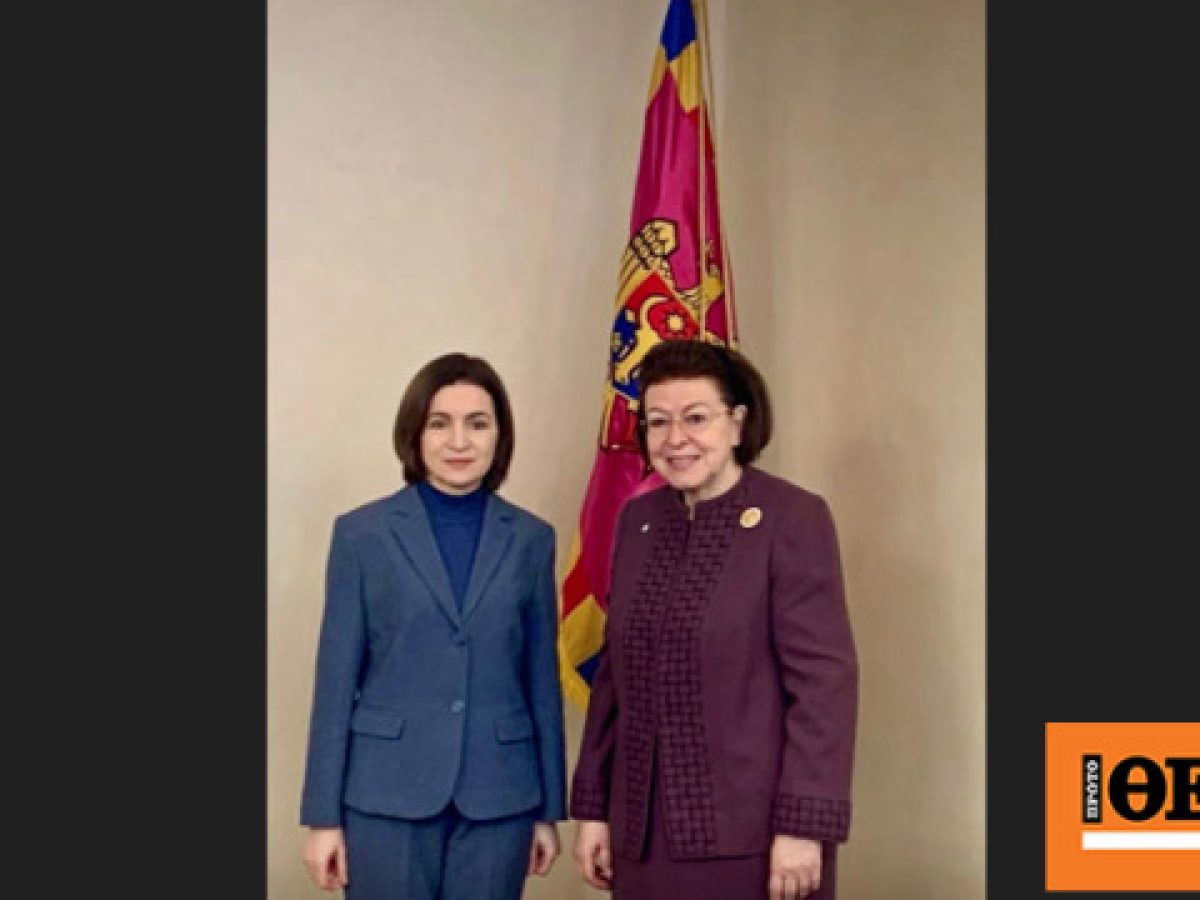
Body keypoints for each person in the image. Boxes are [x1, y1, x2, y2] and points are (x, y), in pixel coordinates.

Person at [571, 339, 859, 900]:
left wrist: (803, 826)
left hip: (756, 838)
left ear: (737, 423)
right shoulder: (637, 521)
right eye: (658, 422)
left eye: (696, 418)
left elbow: (824, 685)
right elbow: (613, 679)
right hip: (642, 837)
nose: (675, 438)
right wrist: (595, 810)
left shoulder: (791, 518)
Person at [299, 352, 565, 899]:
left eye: (478, 423)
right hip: (384, 796)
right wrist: (323, 817)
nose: (459, 441)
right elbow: (335, 681)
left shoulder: (531, 539)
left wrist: (548, 810)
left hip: (500, 797)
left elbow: (541, 680)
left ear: (499, 436)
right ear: (415, 434)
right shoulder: (362, 535)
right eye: (440, 423)